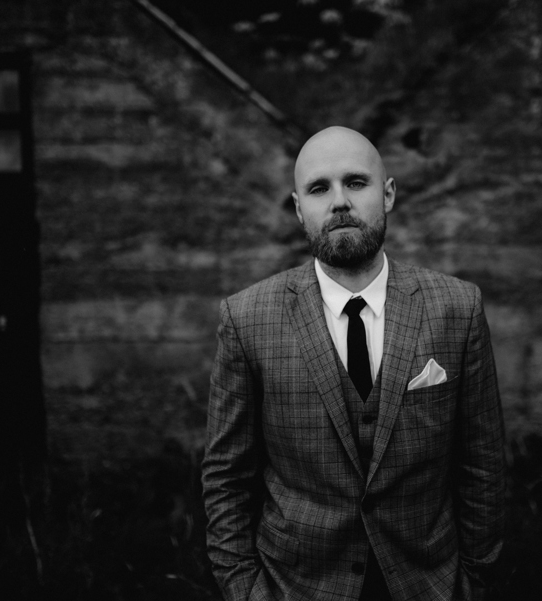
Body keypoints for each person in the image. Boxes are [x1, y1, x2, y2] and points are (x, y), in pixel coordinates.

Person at [202, 126, 505, 601]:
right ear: (299, 208)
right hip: (295, 587)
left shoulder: (457, 308)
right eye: (319, 188)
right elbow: (226, 477)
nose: (339, 202)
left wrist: (473, 579)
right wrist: (246, 590)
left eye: (356, 182)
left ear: (388, 194)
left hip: (430, 584)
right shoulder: (247, 319)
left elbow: (482, 463)